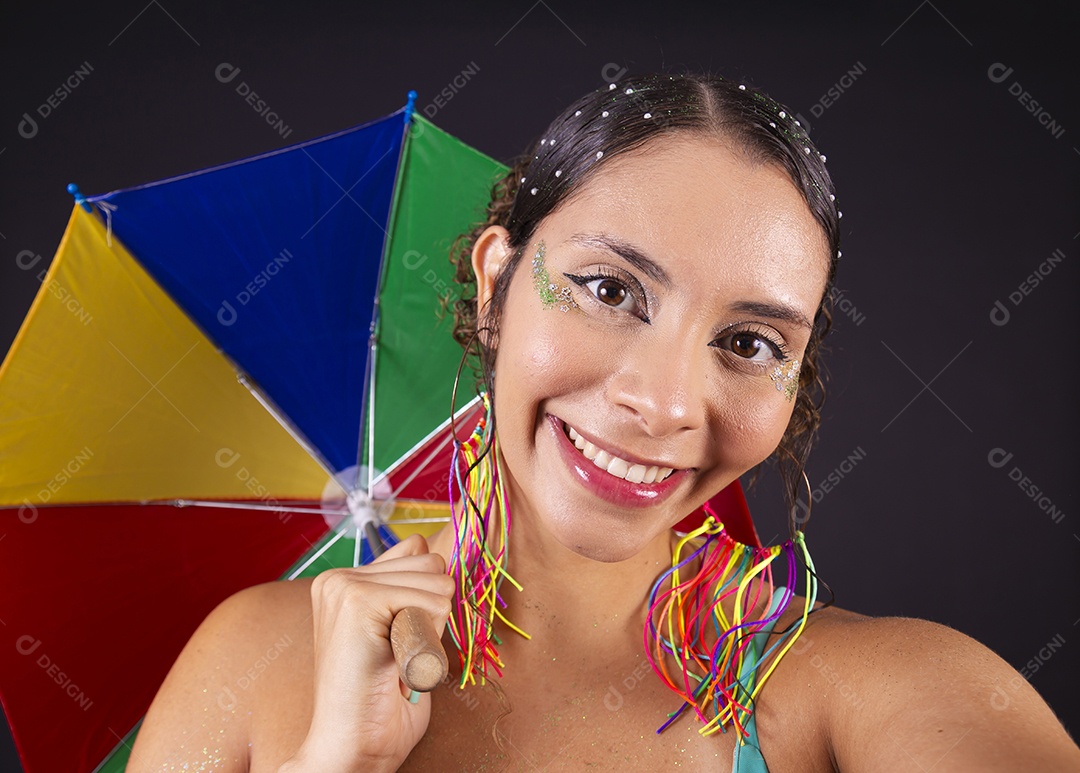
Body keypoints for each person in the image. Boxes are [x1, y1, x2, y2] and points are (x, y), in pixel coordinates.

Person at [128, 73, 1080, 772]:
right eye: (611, 288)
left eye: (748, 343)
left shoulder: (883, 694)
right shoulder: (258, 658)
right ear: (497, 284)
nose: (663, 402)